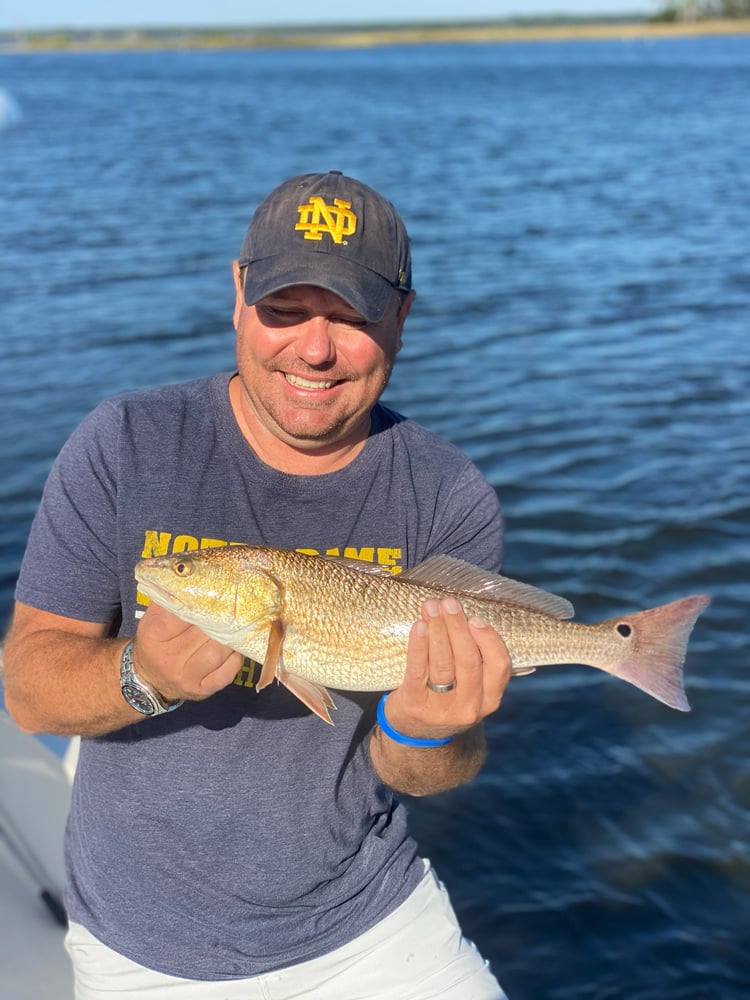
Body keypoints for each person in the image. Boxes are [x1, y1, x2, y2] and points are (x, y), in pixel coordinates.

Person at [3, 170, 511, 999]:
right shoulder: (123, 444)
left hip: (368, 923)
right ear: (238, 296)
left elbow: (429, 766)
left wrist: (426, 733)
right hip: (140, 948)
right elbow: (27, 693)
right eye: (285, 309)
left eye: (350, 316)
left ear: (402, 317)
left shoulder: (449, 495)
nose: (314, 348)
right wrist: (146, 675)